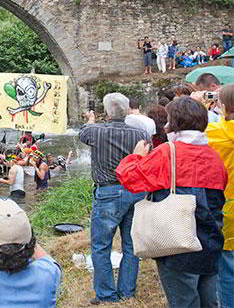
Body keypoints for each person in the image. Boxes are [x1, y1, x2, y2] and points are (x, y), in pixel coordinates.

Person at [116, 97, 227, 308]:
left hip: (179, 242)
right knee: (209, 301)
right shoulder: (213, 156)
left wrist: (135, 157)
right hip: (211, 240)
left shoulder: (168, 152)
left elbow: (130, 179)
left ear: (174, 122)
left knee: (183, 302)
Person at [79, 92, 149, 304]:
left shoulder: (95, 131)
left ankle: (106, 294)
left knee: (101, 246)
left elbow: (83, 133)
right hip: (135, 191)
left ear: (106, 113)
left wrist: (91, 119)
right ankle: (127, 292)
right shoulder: (141, 133)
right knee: (131, 244)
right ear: (128, 110)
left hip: (108, 191)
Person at [205, 83, 234, 308]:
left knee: (227, 267)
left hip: (227, 209)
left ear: (222, 106)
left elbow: (184, 136)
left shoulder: (214, 134)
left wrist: (201, 106)